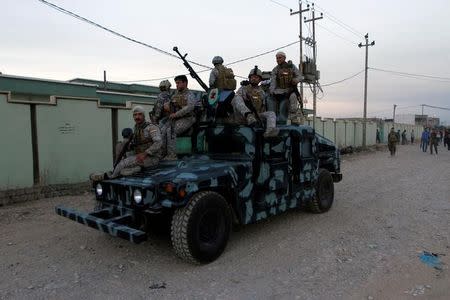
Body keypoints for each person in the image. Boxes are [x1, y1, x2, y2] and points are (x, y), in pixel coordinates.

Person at [110, 106, 162, 178]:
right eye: (135, 115)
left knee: (122, 164)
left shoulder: (151, 127)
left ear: (143, 115)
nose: (137, 117)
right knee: (119, 146)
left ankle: (112, 177)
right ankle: (136, 169)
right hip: (139, 155)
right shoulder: (136, 128)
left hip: (152, 158)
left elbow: (158, 143)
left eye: (139, 114)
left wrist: (145, 153)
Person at [232, 66, 279, 137]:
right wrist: (248, 114)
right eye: (252, 77)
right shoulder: (244, 88)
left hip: (256, 117)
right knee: (237, 98)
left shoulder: (261, 92)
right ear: (249, 78)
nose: (254, 78)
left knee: (271, 113)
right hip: (243, 117)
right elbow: (237, 102)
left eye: (256, 77)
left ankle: (270, 131)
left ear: (260, 80)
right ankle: (249, 115)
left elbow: (263, 107)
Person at [161, 75, 199, 160]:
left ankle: (172, 155)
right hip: (176, 119)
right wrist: (166, 105)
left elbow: (189, 107)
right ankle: (162, 154)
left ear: (185, 83)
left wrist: (176, 114)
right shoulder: (175, 95)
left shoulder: (190, 95)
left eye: (178, 83)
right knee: (162, 130)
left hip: (188, 118)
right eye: (176, 83)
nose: (176, 85)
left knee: (171, 131)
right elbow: (169, 104)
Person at [268, 51, 302, 124]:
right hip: (279, 91)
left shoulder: (291, 67)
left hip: (290, 90)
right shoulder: (275, 69)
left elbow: (300, 76)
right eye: (277, 58)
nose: (278, 60)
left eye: (280, 58)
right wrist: (272, 91)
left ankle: (293, 118)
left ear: (284, 58)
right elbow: (273, 82)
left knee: (293, 97)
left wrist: (296, 80)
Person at [208, 56, 237, 120]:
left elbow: (211, 83)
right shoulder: (227, 70)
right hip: (230, 93)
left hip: (219, 92)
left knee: (211, 105)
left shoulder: (214, 70)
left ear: (213, 63)